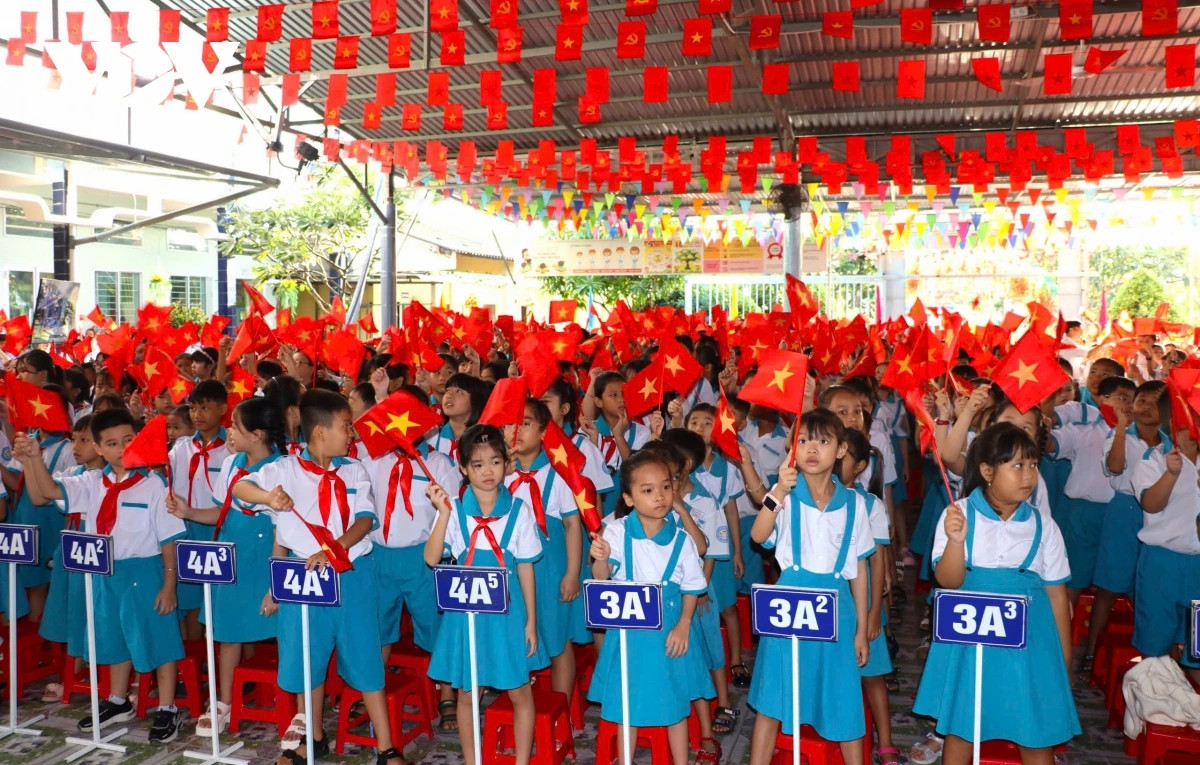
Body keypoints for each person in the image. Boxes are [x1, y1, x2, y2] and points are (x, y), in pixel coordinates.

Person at [233, 390, 403, 765]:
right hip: (302, 578)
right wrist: (267, 498)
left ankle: (387, 748)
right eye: (346, 427)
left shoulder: (354, 469)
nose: (352, 434)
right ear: (321, 432)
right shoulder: (285, 470)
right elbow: (240, 489)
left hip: (351, 574)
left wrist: (333, 549)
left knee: (366, 659)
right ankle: (310, 738)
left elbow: (364, 520)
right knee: (304, 658)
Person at [14, 409, 189, 743]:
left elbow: (169, 540)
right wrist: (33, 459)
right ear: (98, 447)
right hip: (104, 573)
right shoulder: (91, 481)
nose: (122, 448)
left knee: (159, 640)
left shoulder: (153, 483)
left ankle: (168, 707)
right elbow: (47, 493)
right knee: (113, 636)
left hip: (145, 572)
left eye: (128, 440)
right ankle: (118, 699)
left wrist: (169, 584)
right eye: (111, 442)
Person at [914, 423, 1080, 763]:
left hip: (1029, 648)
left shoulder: (1044, 525)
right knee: (963, 728)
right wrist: (956, 544)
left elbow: (1057, 597)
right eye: (1017, 465)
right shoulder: (957, 516)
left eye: (1033, 465)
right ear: (988, 471)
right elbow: (949, 580)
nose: (1028, 475)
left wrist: (1062, 660)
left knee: (1034, 730)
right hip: (969, 646)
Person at [747, 410, 872, 765]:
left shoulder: (855, 504)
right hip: (787, 603)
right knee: (775, 693)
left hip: (837, 605)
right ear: (792, 449)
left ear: (842, 449)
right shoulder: (782, 494)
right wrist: (777, 493)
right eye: (803, 440)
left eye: (822, 440)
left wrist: (862, 630)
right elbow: (758, 537)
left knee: (842, 693)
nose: (811, 448)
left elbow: (858, 570)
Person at [424, 424, 548, 765]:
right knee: (468, 692)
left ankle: (522, 760)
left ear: (507, 463)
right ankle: (471, 759)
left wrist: (531, 622)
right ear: (463, 468)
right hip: (466, 616)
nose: (488, 471)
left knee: (520, 690)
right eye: (477, 464)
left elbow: (526, 567)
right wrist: (444, 513)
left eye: (495, 461)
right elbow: (432, 559)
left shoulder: (519, 510)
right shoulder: (455, 509)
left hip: (509, 615)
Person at [164, 397, 286, 735]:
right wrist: (187, 512)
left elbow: (284, 529)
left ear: (258, 433)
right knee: (226, 631)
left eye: (236, 425)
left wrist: (275, 582)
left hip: (267, 556)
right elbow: (223, 512)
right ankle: (223, 701)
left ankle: (292, 702)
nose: (230, 431)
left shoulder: (284, 468)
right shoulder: (232, 464)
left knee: (282, 631)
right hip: (231, 555)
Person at [588, 450, 707, 765]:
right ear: (627, 498)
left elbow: (693, 587)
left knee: (675, 703)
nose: (660, 496)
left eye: (666, 487)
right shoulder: (615, 531)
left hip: (669, 630)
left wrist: (683, 625)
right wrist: (600, 557)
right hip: (627, 633)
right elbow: (601, 579)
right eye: (648, 490)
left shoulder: (682, 540)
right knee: (627, 702)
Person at [362, 381, 462, 732]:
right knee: (378, 628)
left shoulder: (438, 464)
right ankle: (374, 692)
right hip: (380, 556)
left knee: (436, 628)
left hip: (423, 559)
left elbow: (451, 515)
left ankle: (447, 696)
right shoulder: (372, 460)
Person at [506, 399, 585, 722]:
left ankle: (560, 713)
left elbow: (571, 525)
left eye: (525, 423)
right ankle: (524, 711)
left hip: (550, 571)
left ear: (543, 431)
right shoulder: (499, 475)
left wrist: (572, 573)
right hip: (512, 573)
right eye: (511, 423)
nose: (517, 430)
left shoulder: (558, 473)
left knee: (557, 639)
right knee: (518, 635)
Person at [660, 428, 731, 759]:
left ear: (684, 466)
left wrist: (700, 590)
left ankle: (723, 704)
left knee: (707, 652)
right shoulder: (655, 500)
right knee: (680, 656)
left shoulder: (704, 501)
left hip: (699, 590)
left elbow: (710, 550)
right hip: (666, 594)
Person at [1129, 387, 1200, 684]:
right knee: (1155, 644)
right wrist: (1171, 475)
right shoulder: (1154, 461)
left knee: (1197, 649)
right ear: (1172, 423)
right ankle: (1155, 706)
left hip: (1196, 565)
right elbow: (1150, 504)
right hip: (1162, 562)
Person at [839, 429, 900, 765]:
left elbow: (877, 562)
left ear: (860, 465)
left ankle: (886, 742)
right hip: (834, 602)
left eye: (843, 457)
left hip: (865, 602)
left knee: (872, 675)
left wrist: (876, 611)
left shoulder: (870, 504)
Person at [37, 414, 102, 703]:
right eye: (74, 439)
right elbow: (40, 496)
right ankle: (73, 676)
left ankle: (114, 683)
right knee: (75, 616)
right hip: (72, 552)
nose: (76, 446)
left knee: (100, 620)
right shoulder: (75, 471)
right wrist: (30, 460)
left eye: (84, 440)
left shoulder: (106, 478)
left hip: (98, 554)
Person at [0, 382, 76, 622]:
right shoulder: (28, 439)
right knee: (26, 579)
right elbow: (14, 482)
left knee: (45, 582)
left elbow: (63, 492)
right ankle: (26, 637)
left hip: (50, 522)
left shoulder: (66, 448)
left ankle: (39, 635)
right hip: (25, 518)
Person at [168, 379, 229, 640]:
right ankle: (194, 660)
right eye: (193, 408)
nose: (197, 415)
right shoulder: (180, 447)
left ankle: (217, 661)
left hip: (217, 531)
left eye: (205, 408)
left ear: (223, 409)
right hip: (184, 530)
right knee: (189, 600)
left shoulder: (231, 449)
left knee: (220, 602)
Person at [589, 371, 652, 516]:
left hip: (629, 508)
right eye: (613, 395)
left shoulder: (641, 432)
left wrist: (618, 435)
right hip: (597, 507)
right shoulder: (588, 430)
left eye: (624, 393)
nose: (621, 399)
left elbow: (638, 468)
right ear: (599, 401)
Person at [429, 373, 488, 462]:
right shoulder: (432, 438)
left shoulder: (487, 440)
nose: (449, 395)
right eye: (448, 390)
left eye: (459, 391)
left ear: (475, 400)